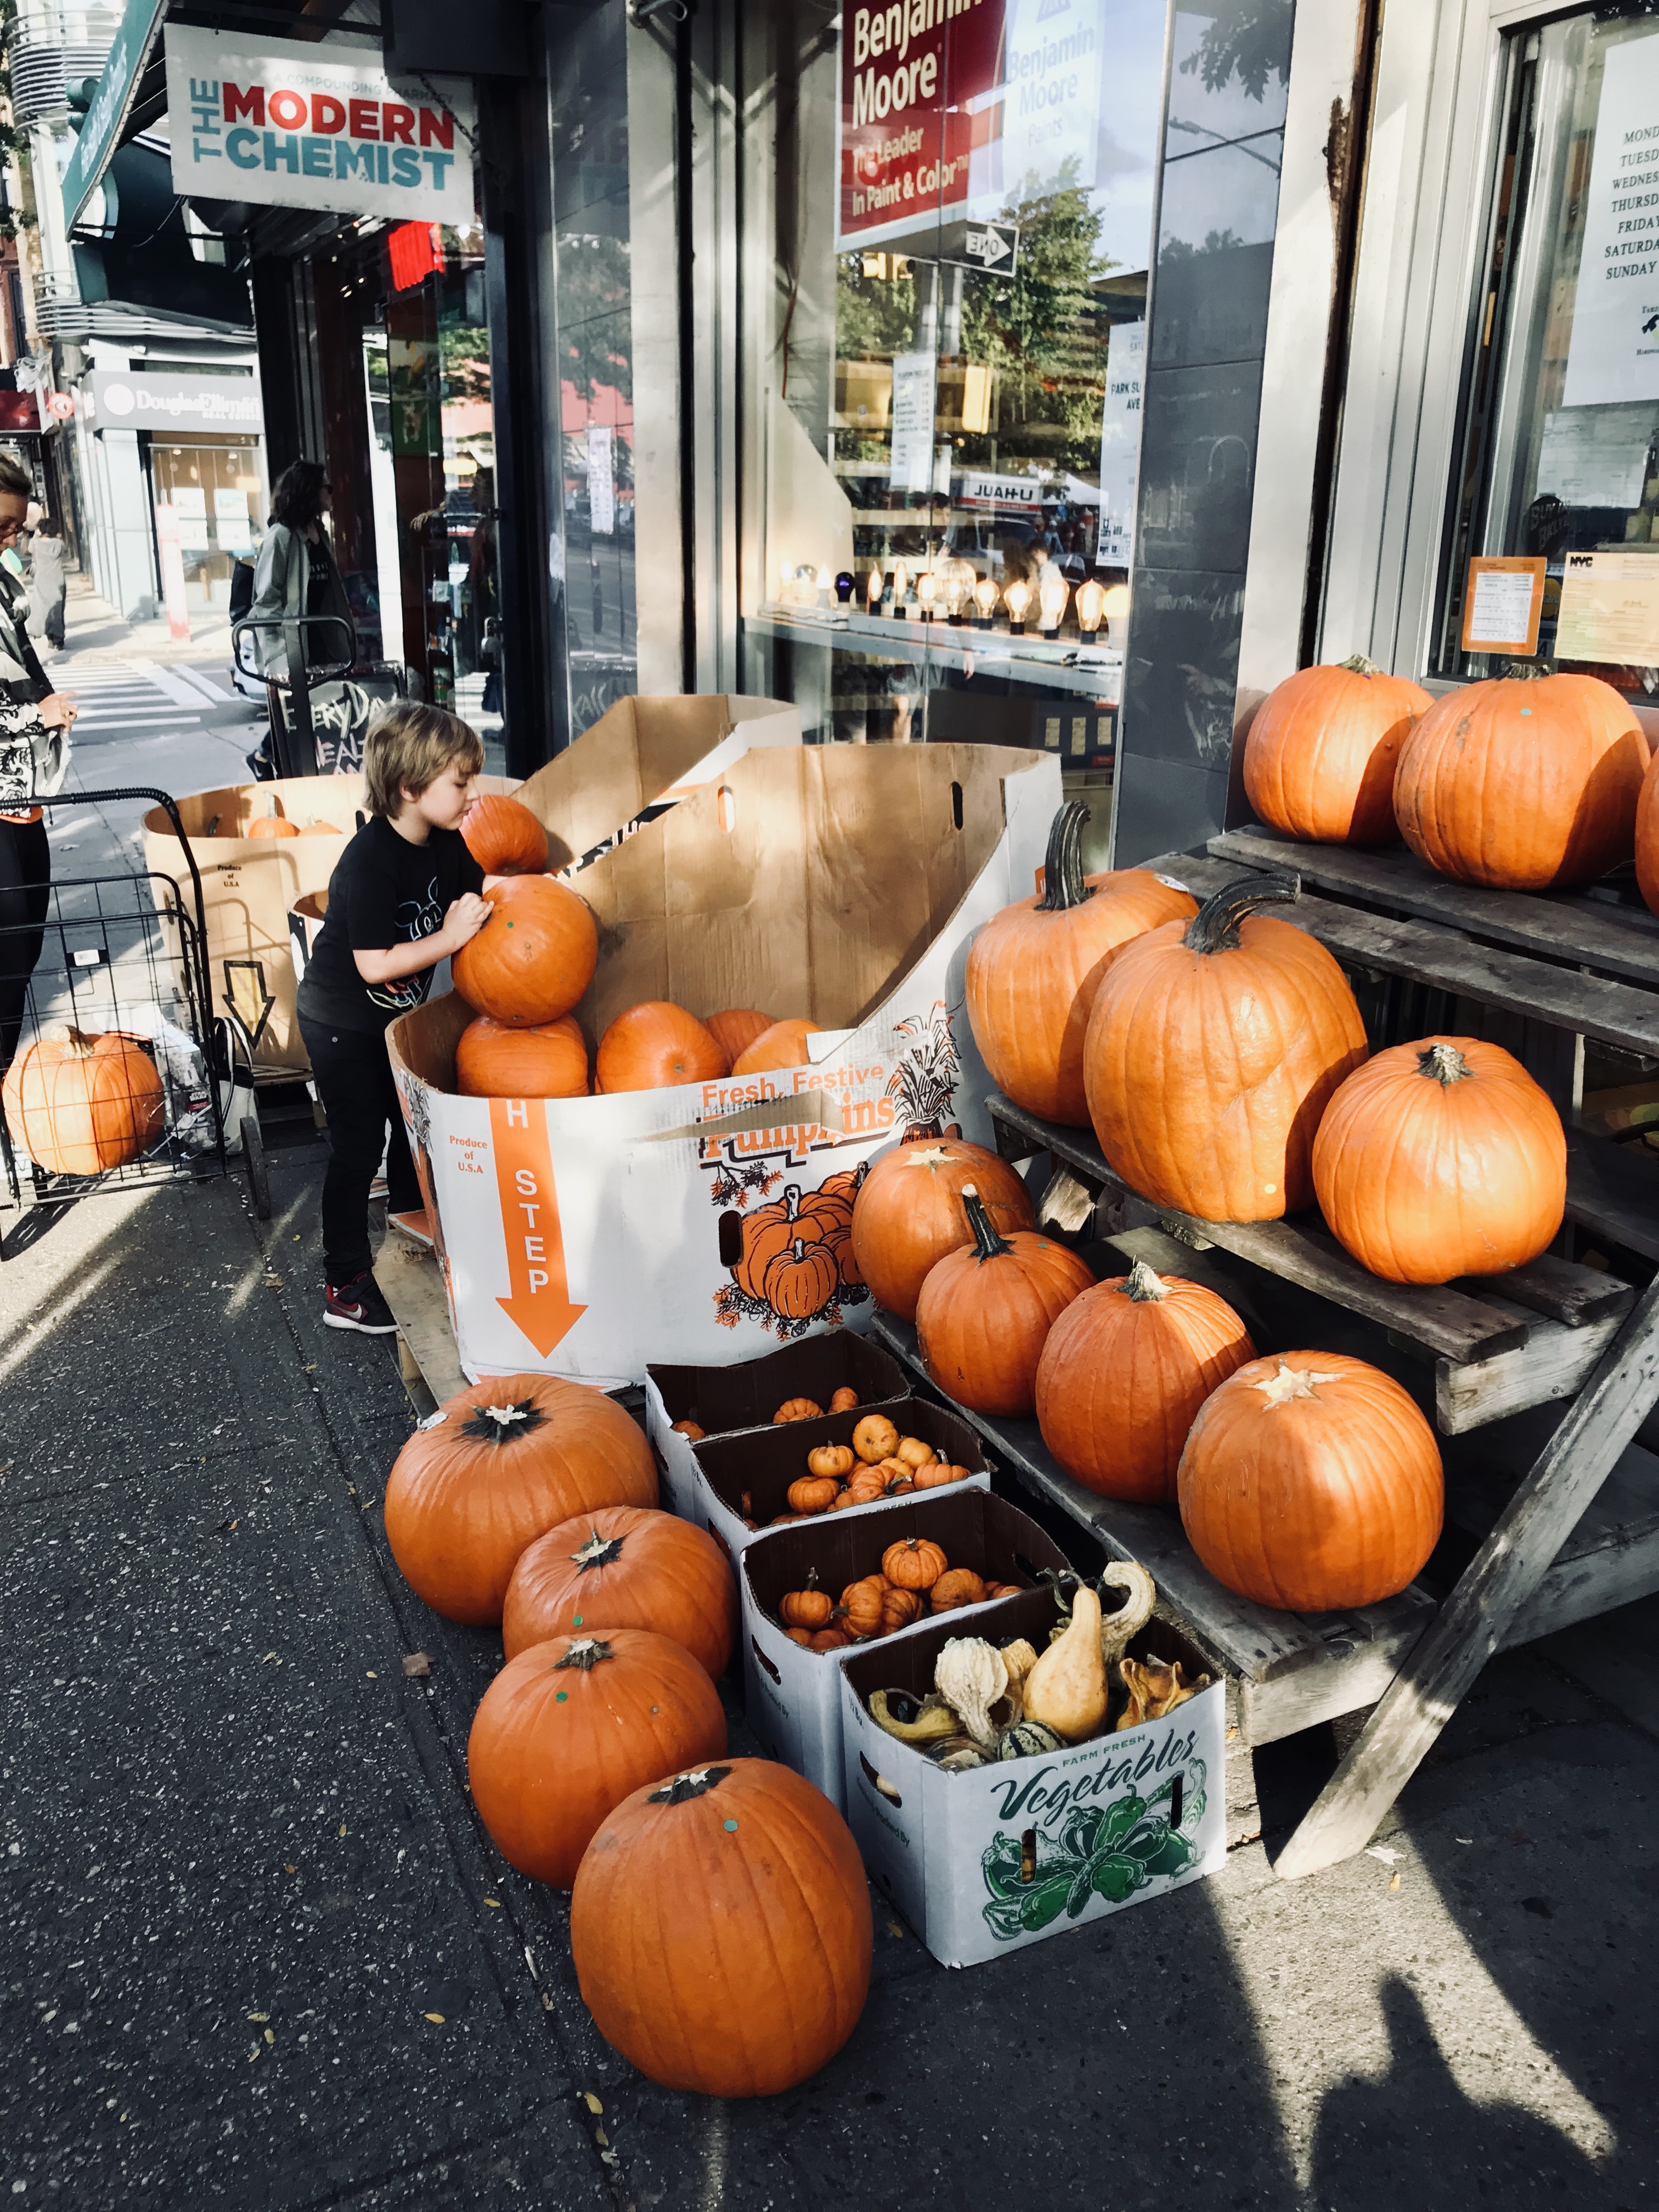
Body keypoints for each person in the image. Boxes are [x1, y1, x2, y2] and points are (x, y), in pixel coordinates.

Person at [295, 702, 488, 1335]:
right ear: (409, 787)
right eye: (460, 782)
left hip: (393, 1022)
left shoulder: (446, 843)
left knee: (411, 1132)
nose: (473, 793)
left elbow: (481, 893)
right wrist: (451, 937)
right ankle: (345, 1284)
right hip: (340, 1022)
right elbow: (375, 963)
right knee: (358, 1147)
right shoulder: (371, 860)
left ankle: (413, 1241)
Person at [0, 454, 77, 1088]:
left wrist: (47, 706)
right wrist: (34, 716)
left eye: (16, 527)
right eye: (3, 525)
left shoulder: (3, 585)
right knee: (5, 962)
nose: (13, 538)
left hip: (23, 794)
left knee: (23, 953)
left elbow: (23, 665)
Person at [245, 459, 354, 776]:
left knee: (323, 707)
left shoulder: (319, 533)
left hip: (325, 637)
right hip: (296, 643)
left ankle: (320, 768)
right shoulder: (280, 537)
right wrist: (281, 651)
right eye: (327, 488)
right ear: (310, 491)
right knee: (297, 710)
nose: (332, 493)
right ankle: (265, 756)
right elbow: (266, 601)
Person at [26, 517, 67, 652]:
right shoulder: (59, 544)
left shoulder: (36, 544)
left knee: (44, 609)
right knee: (58, 609)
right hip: (57, 580)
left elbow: (29, 549)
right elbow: (63, 549)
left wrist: (36, 535)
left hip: (41, 581)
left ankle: (49, 636)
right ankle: (58, 639)